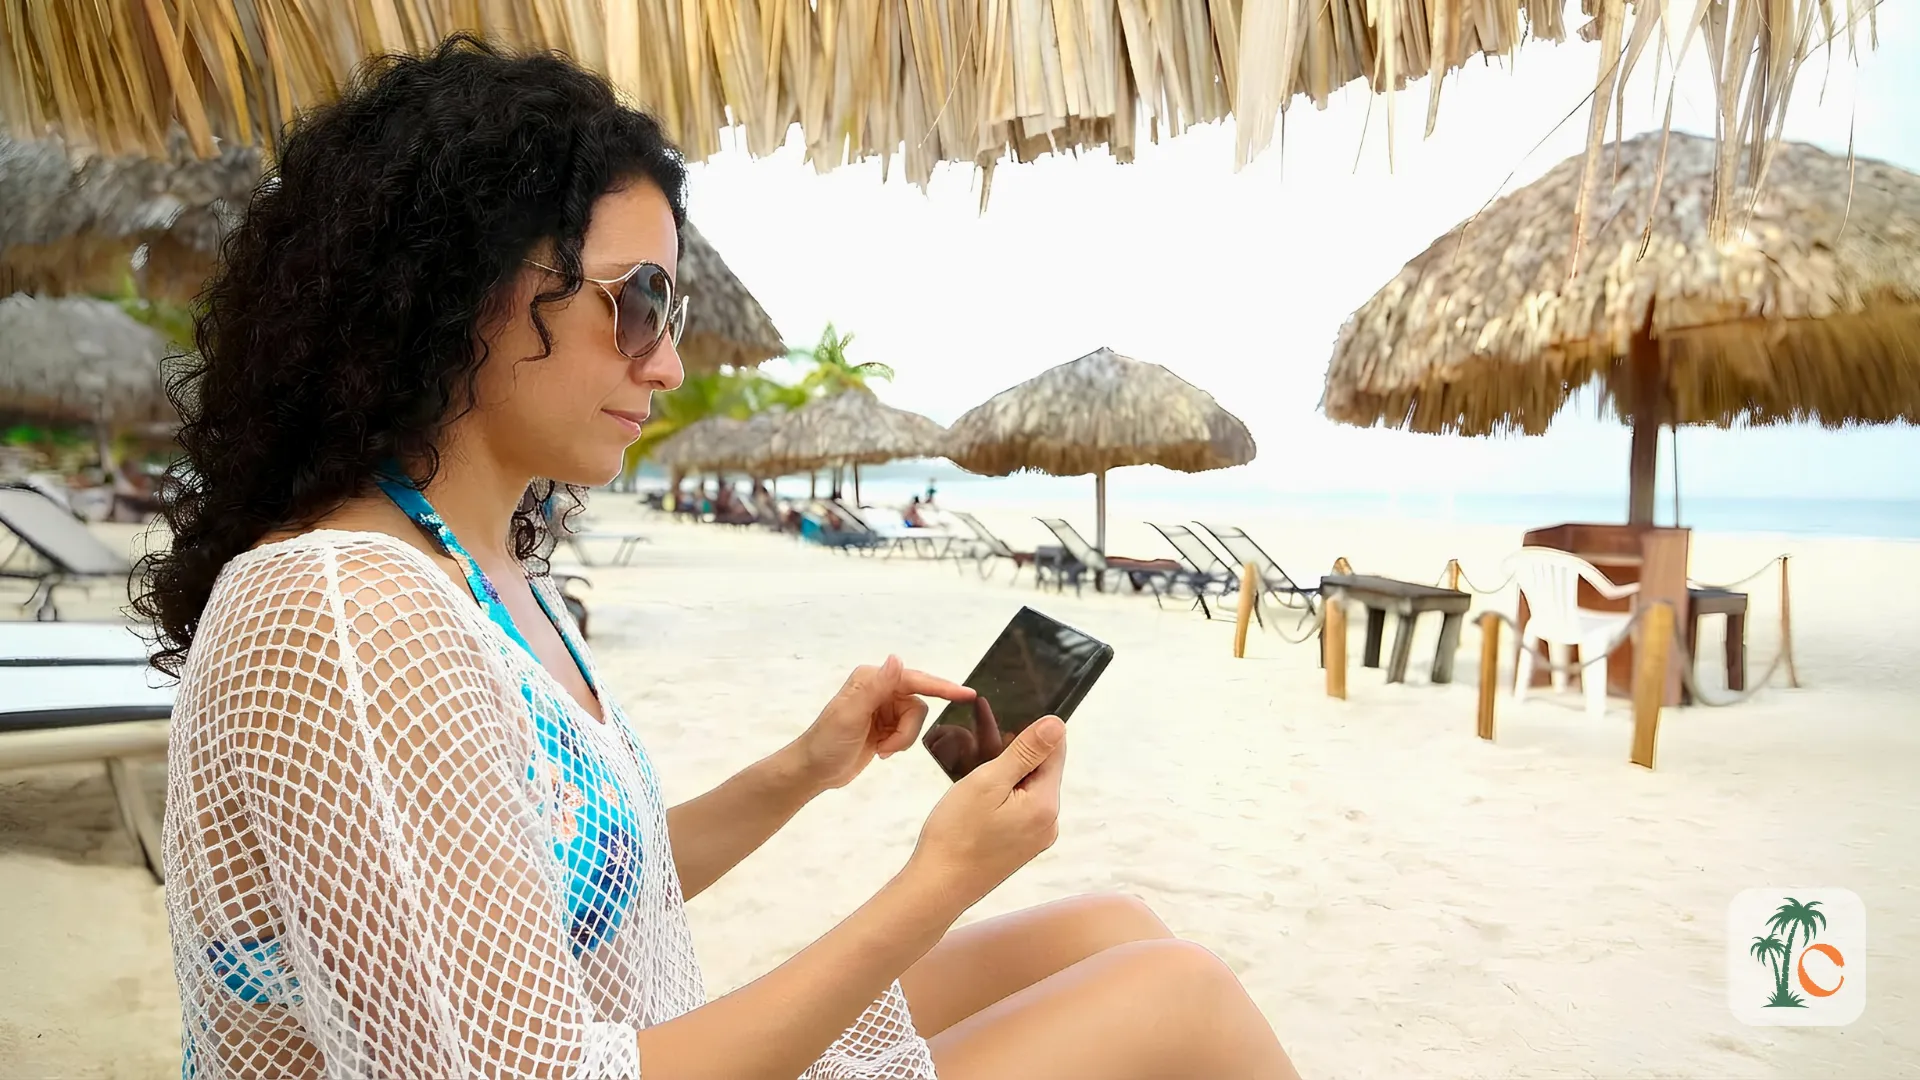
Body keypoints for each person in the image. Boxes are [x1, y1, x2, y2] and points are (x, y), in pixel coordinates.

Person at [136, 36, 1297, 1080]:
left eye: (672, 312)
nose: (667, 363)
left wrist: (803, 768)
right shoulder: (345, 611)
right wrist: (939, 880)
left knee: (1111, 928)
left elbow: (582, 897)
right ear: (458, 286)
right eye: (639, 301)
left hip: (629, 1040)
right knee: (1178, 997)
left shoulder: (479, 576)